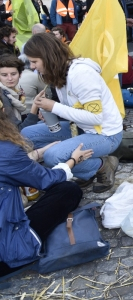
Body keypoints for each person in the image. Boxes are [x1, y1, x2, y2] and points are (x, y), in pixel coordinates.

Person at [20, 34, 122, 193]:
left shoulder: (81, 74)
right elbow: (74, 108)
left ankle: (102, 166)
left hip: (105, 133)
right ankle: (81, 168)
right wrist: (49, 110)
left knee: (52, 157)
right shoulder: (60, 72)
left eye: (34, 61)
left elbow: (96, 117)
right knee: (27, 134)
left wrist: (54, 107)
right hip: (82, 128)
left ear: (47, 57)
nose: (33, 67)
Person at [0, 111, 92, 277]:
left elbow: (10, 166)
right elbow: (47, 179)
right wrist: (73, 161)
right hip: (5, 255)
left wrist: (40, 152)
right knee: (69, 190)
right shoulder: (6, 151)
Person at [0, 55, 39, 130]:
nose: (10, 78)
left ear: (20, 74)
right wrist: (35, 107)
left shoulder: (17, 91)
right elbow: (19, 130)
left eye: (13, 74)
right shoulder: (3, 96)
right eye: (4, 75)